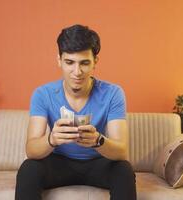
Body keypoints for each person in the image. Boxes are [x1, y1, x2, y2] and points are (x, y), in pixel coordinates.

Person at [15, 24, 137, 200]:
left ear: (95, 61)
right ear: (59, 60)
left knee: (123, 170)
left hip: (98, 163)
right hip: (58, 164)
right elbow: (31, 150)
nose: (77, 72)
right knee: (28, 168)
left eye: (84, 63)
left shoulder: (113, 93)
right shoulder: (42, 94)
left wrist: (98, 141)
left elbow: (121, 152)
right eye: (69, 62)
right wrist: (52, 139)